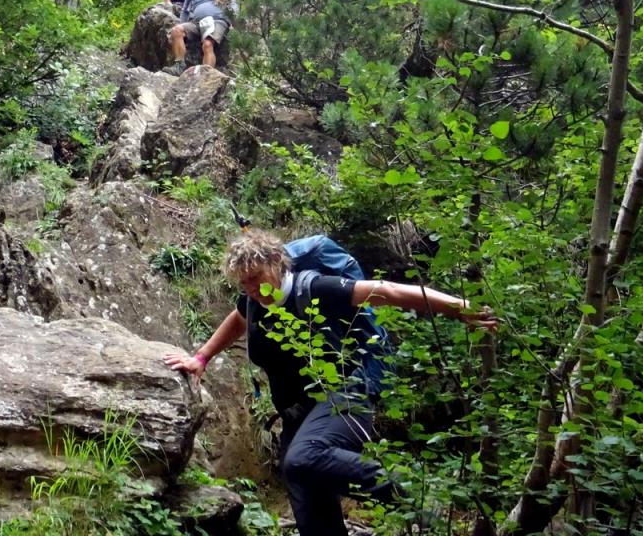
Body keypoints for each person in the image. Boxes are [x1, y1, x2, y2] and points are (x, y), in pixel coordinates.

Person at [163, 229, 497, 536]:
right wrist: (201, 358)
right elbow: (238, 318)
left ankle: (413, 495)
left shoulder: (317, 288)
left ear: (278, 264)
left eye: (255, 278)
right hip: (301, 412)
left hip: (348, 395)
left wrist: (460, 308)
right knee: (302, 485)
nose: (251, 289)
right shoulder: (255, 301)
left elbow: (389, 291)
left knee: (303, 458)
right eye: (243, 284)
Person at [166, 0, 236, 73]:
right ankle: (179, 66)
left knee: (207, 44)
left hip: (217, 20)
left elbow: (231, 1)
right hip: (197, 23)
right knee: (176, 31)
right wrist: (182, 25)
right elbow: (184, 11)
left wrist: (235, 22)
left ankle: (205, 75)